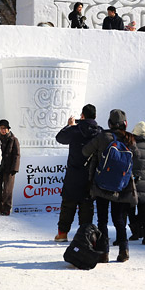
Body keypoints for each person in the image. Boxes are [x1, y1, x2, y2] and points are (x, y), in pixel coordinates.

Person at [82, 109, 140, 263]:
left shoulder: (103, 136)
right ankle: (124, 250)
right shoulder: (130, 139)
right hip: (122, 186)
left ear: (109, 123)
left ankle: (103, 252)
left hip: (102, 185)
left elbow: (85, 151)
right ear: (125, 124)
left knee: (102, 219)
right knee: (119, 219)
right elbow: (138, 158)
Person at [54, 104, 102, 242]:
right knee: (87, 206)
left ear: (82, 116)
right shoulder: (99, 132)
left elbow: (60, 138)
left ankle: (62, 234)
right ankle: (85, 235)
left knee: (68, 204)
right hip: (91, 175)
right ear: (95, 116)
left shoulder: (75, 130)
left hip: (74, 174)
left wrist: (69, 125)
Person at [127, 121, 145, 245]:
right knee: (143, 208)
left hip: (132, 181)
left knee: (130, 208)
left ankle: (135, 232)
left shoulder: (130, 145)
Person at [0, 119, 20, 216]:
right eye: (1, 128)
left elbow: (17, 155)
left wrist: (15, 168)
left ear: (8, 129)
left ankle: (7, 208)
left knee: (8, 189)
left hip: (9, 168)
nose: (3, 130)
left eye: (5, 128)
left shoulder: (13, 139)